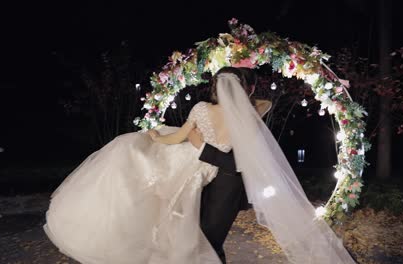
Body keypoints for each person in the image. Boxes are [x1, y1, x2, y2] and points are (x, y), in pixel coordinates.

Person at [44, 66, 356, 264]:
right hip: (206, 175)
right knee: (194, 236)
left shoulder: (209, 110)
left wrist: (155, 136)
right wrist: (240, 92)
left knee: (197, 234)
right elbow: (264, 104)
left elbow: (177, 138)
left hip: (202, 170)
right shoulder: (249, 114)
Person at [187, 67, 271, 263]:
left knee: (211, 242)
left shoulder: (249, 115)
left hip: (229, 185)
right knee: (200, 241)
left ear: (248, 89)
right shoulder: (211, 111)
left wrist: (203, 147)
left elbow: (238, 164)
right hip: (204, 182)